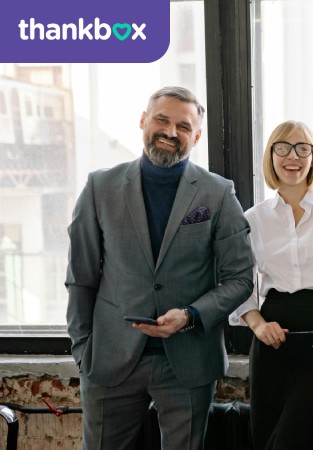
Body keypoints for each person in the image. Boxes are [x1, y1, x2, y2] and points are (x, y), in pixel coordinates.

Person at [65, 86, 254, 450]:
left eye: (183, 126)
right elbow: (81, 277)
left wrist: (190, 315)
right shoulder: (99, 186)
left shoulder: (218, 193)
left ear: (196, 136)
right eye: (162, 120)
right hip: (109, 359)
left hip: (189, 361)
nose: (170, 132)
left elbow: (240, 278)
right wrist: (83, 349)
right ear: (143, 121)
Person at [228, 120, 313, 449]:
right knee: (265, 438)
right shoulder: (253, 218)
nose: (294, 156)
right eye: (283, 147)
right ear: (271, 155)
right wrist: (257, 324)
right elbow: (238, 282)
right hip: (272, 335)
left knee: (293, 440)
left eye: (303, 148)